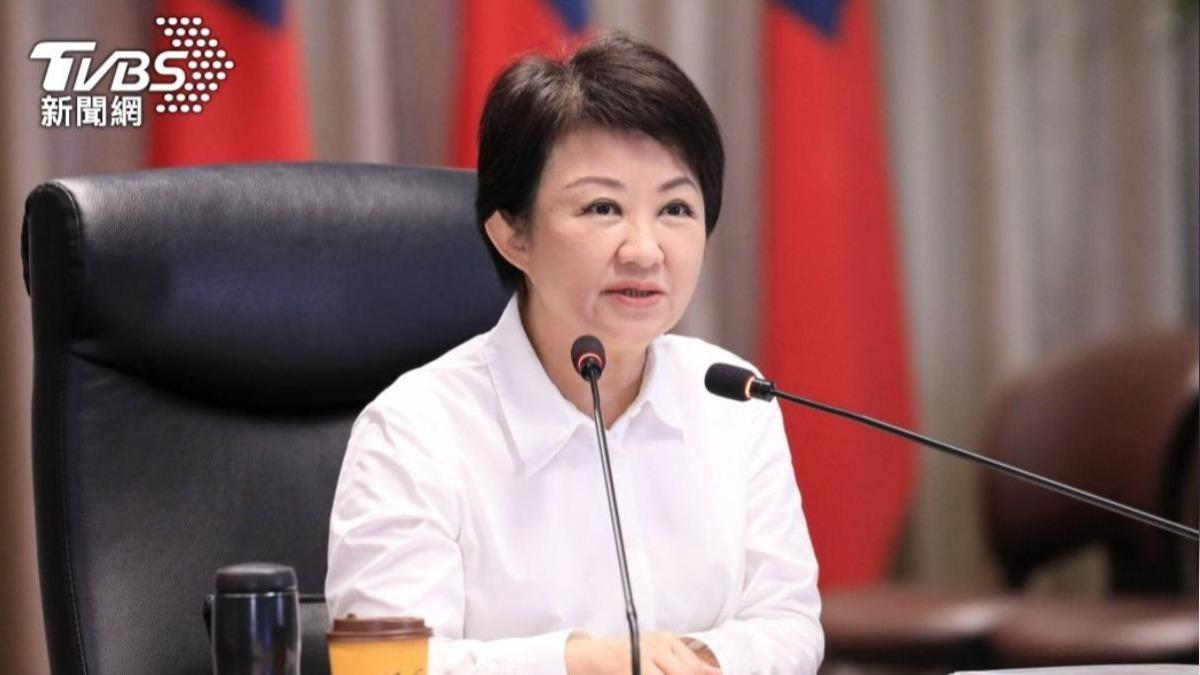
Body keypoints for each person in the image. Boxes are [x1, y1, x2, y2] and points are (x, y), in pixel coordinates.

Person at [326, 32, 823, 675]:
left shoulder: (732, 397)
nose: (644, 250)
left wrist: (692, 662)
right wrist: (578, 663)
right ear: (513, 235)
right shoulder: (414, 430)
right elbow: (380, 666)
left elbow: (789, 622)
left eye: (676, 207)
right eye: (602, 207)